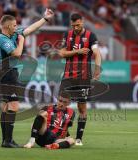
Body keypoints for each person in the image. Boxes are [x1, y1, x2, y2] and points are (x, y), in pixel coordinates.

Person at [0, 9, 54, 148]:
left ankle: (6, 140)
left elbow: (30, 29)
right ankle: (8, 140)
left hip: (9, 73)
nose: (17, 27)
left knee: (6, 107)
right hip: (8, 73)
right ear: (8, 26)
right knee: (14, 106)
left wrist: (44, 19)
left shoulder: (12, 35)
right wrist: (21, 41)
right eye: (15, 25)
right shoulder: (2, 39)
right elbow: (16, 53)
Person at [58, 13, 102, 146]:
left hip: (83, 78)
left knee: (81, 107)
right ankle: (65, 134)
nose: (75, 28)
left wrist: (97, 68)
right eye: (73, 25)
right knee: (60, 105)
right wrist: (76, 52)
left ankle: (78, 138)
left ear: (82, 22)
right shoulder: (68, 35)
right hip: (68, 76)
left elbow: (96, 53)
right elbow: (62, 53)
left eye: (77, 25)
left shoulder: (91, 36)